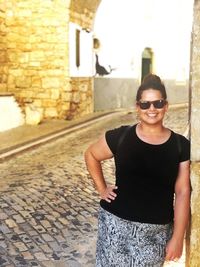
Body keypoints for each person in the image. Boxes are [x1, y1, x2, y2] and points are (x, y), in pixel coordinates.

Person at [84, 74, 190, 267]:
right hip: (115, 229)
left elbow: (183, 192)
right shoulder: (121, 137)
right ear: (137, 107)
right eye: (145, 104)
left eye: (157, 103)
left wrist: (178, 237)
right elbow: (91, 155)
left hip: (154, 234)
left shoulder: (180, 145)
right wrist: (101, 188)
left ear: (166, 106)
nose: (152, 109)